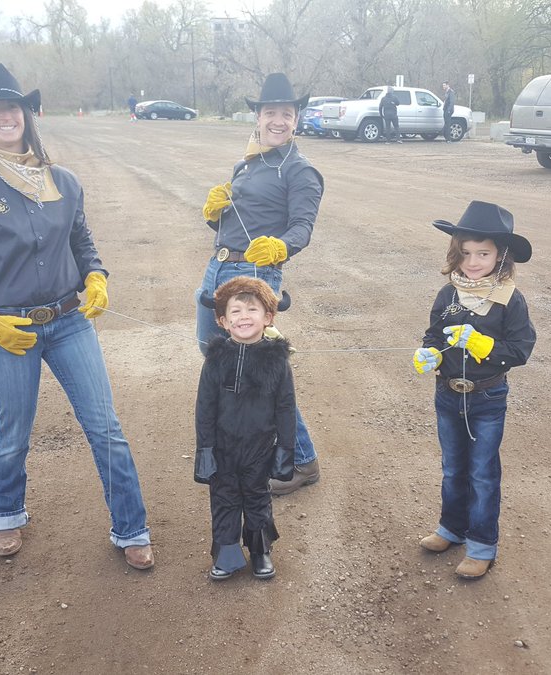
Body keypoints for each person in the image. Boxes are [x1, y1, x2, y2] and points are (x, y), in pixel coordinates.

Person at [0, 62, 155, 570]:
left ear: (27, 114)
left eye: (11, 106)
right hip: (9, 329)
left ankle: (131, 528)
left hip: (68, 320)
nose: (5, 115)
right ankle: (5, 514)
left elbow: (82, 242)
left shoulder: (63, 181)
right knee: (14, 429)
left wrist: (96, 276)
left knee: (105, 427)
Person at [198, 72, 324, 496]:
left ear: (296, 118)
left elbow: (303, 226)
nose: (278, 120)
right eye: (270, 112)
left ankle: (301, 460)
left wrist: (280, 248)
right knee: (215, 354)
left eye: (286, 114)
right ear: (257, 116)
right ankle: (244, 438)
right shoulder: (248, 161)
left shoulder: (301, 170)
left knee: (259, 371)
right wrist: (215, 214)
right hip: (218, 270)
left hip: (254, 277)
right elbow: (232, 217)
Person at [411, 200, 536, 579]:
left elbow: (520, 349)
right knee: (453, 468)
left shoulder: (509, 299)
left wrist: (485, 347)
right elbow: (434, 332)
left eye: (483, 253)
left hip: (486, 397)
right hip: (447, 394)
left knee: (482, 472)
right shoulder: (448, 294)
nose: (473, 261)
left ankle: (481, 545)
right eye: (465, 253)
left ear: (501, 255)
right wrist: (429, 352)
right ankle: (452, 528)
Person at [195, 277, 296, 580]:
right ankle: (226, 551)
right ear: (222, 321)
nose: (244, 317)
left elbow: (286, 407)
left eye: (252, 309)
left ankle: (260, 550)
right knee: (224, 497)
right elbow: (204, 407)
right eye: (235, 311)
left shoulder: (277, 359)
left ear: (268, 317)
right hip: (223, 447)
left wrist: (285, 449)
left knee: (256, 497)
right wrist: (205, 448)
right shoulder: (215, 359)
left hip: (259, 447)